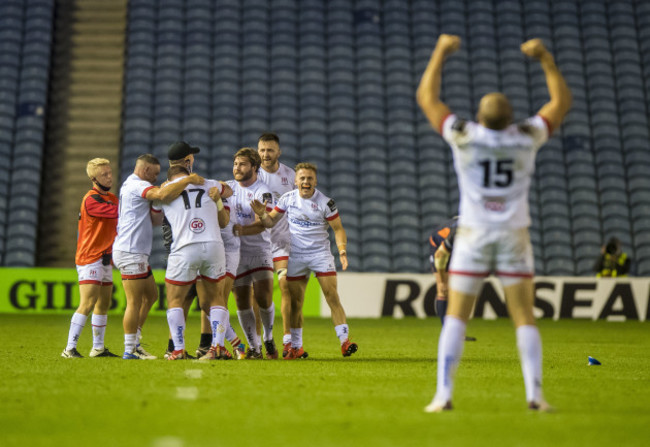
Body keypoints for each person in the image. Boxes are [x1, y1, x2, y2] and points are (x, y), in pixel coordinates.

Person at [417, 35, 571, 412]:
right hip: (513, 234)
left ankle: (443, 395)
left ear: (480, 117)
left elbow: (427, 98)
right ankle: (534, 395)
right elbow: (560, 102)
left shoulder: (465, 136)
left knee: (457, 315)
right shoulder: (526, 136)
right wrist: (544, 58)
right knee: (523, 316)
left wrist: (439, 52)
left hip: (472, 234)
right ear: (512, 116)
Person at [249, 162, 358, 359]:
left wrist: (342, 250)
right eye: (302, 178)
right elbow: (270, 221)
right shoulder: (287, 198)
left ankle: (344, 341)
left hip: (320, 254)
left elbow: (338, 228)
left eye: (309, 179)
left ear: (315, 181)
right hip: (296, 254)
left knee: (331, 295)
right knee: (296, 303)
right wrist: (262, 214)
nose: (306, 182)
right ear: (296, 181)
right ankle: (296, 347)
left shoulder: (326, 202)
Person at [113, 153, 204, 359]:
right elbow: (161, 195)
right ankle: (129, 349)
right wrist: (188, 180)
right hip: (130, 251)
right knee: (134, 301)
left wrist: (158, 202)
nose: (155, 179)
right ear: (145, 171)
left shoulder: (134, 187)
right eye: (153, 174)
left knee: (151, 296)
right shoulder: (136, 185)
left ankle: (135, 342)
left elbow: (155, 218)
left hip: (136, 253)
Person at [161, 141, 235, 359]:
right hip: (213, 245)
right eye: (192, 157)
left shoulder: (164, 189)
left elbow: (159, 200)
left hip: (184, 247)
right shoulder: (209, 183)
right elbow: (228, 189)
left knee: (175, 299)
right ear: (188, 162)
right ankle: (217, 347)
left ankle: (177, 349)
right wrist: (216, 189)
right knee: (216, 298)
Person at [62, 158, 120, 358]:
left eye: (110, 173)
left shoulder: (112, 197)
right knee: (87, 302)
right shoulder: (91, 199)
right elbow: (118, 213)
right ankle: (69, 348)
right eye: (105, 174)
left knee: (103, 304)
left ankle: (98, 347)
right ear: (94, 178)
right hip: (90, 257)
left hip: (105, 258)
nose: (109, 177)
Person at [230, 147, 278, 359]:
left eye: (242, 164)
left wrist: (241, 230)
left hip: (259, 251)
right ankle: (254, 347)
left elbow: (263, 224)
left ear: (254, 167)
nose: (237, 168)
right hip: (236, 254)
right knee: (241, 301)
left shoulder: (263, 191)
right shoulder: (228, 188)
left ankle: (268, 336)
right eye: (235, 164)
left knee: (263, 299)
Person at [257, 132, 296, 357]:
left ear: (278, 152)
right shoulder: (253, 176)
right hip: (258, 244)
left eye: (270, 150)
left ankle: (288, 340)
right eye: (262, 150)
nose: (265, 154)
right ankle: (263, 340)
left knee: (285, 287)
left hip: (281, 242)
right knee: (260, 296)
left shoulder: (290, 176)